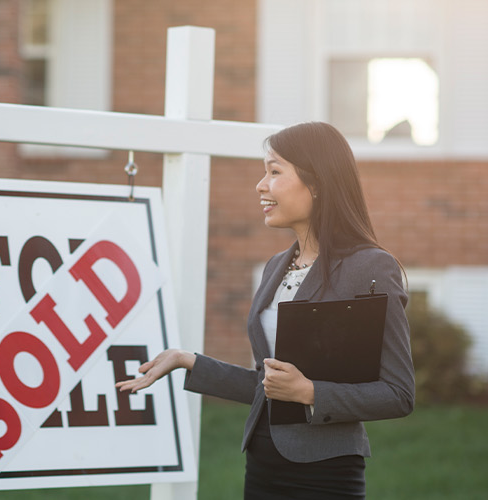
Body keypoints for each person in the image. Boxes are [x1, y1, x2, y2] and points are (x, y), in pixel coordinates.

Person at [116, 121, 415, 499]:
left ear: (318, 183)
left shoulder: (370, 268)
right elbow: (269, 386)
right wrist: (187, 360)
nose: (261, 185)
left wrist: (310, 391)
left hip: (323, 475)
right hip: (261, 464)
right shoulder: (276, 266)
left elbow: (398, 393)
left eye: (275, 172)